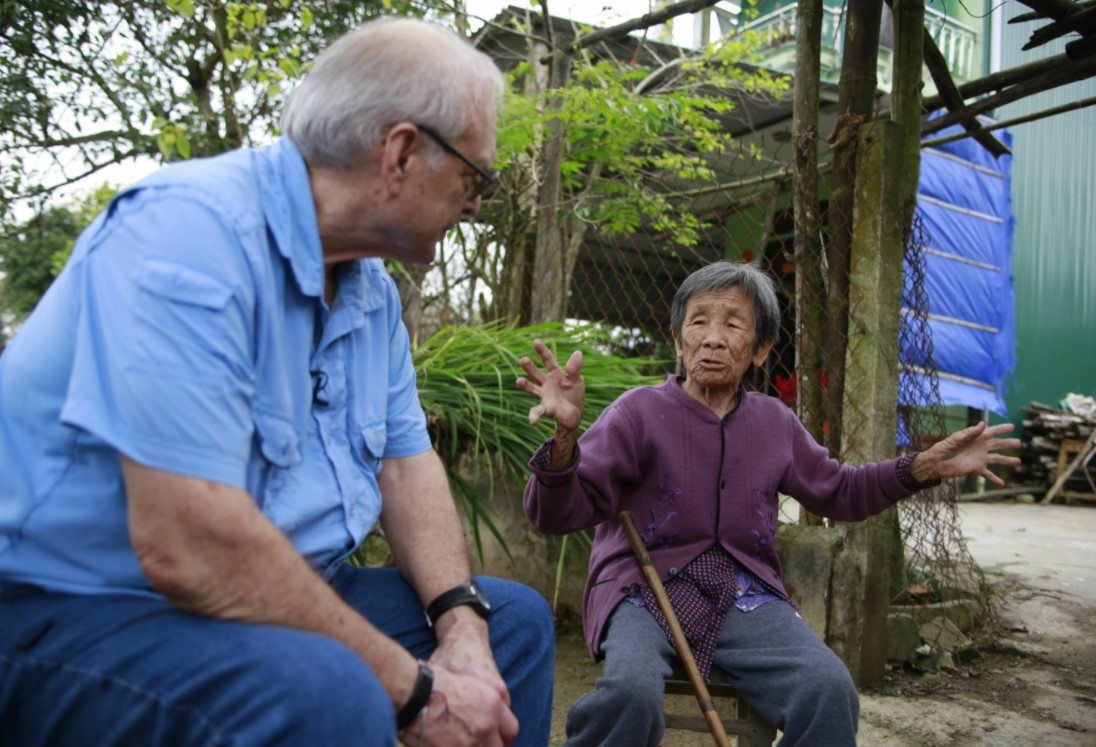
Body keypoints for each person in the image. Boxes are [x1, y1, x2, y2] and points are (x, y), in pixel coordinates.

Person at [0, 17, 554, 747]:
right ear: (400, 153)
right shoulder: (187, 236)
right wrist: (418, 692)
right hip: (80, 608)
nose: (477, 202)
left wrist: (462, 628)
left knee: (513, 625)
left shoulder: (370, 293)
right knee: (330, 694)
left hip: (282, 590)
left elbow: (405, 465)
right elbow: (189, 546)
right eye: (474, 176)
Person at [516, 260, 1020, 747]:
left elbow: (841, 491)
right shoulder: (637, 413)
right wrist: (565, 439)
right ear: (678, 340)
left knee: (828, 690)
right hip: (643, 588)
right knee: (630, 696)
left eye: (733, 325)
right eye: (698, 322)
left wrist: (922, 467)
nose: (713, 338)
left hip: (743, 593)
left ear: (759, 350)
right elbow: (553, 515)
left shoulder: (774, 423)